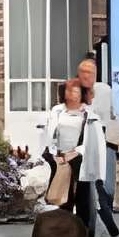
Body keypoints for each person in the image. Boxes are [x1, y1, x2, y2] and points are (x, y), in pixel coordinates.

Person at [75, 54, 119, 237]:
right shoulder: (75, 91)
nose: (87, 76)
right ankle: (90, 230)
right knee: (87, 188)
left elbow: (115, 113)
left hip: (104, 138)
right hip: (84, 141)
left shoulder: (105, 90)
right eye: (83, 72)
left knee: (105, 186)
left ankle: (109, 224)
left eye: (90, 72)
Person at [40, 75, 95, 226]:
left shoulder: (88, 112)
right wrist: (54, 153)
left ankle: (83, 230)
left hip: (80, 157)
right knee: (64, 196)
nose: (72, 95)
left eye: (76, 92)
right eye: (69, 92)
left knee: (83, 196)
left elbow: (91, 137)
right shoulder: (57, 111)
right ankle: (65, 229)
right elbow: (50, 134)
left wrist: (76, 152)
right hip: (60, 157)